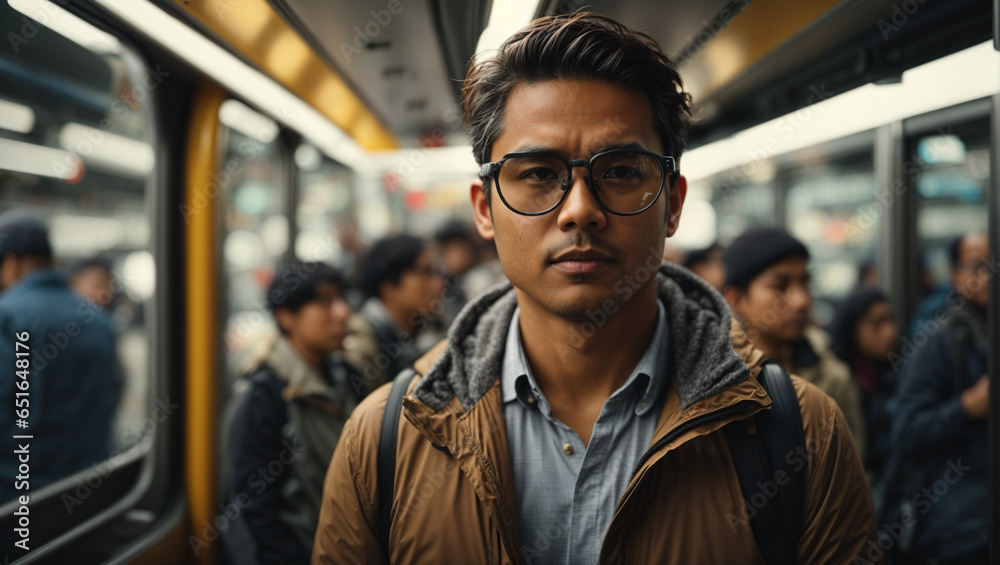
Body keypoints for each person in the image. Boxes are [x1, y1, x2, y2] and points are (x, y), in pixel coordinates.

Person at [312, 13, 877, 564]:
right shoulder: (383, 440)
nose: (580, 211)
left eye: (622, 171)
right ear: (486, 210)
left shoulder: (799, 431)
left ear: (672, 204)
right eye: (537, 174)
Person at [226, 260, 363, 565]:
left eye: (342, 300)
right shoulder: (264, 395)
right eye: (325, 302)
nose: (342, 312)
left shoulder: (348, 376)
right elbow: (255, 508)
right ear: (286, 317)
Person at [0, 212, 122, 502]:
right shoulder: (98, 318)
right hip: (87, 490)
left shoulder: (7, 315)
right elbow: (114, 392)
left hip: (18, 495)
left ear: (11, 263)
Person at [722, 226, 868, 459]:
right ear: (736, 298)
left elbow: (851, 466)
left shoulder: (832, 376)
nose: (801, 301)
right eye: (780, 287)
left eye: (804, 283)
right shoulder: (718, 383)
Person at [889, 232, 989, 564]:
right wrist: (966, 408)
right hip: (960, 530)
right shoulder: (939, 340)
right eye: (977, 267)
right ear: (957, 278)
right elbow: (905, 430)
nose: (988, 276)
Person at [343, 234, 445, 390]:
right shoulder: (360, 346)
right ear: (388, 283)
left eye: (436, 272)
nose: (439, 283)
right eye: (425, 272)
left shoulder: (427, 333)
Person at [828, 286, 899, 478]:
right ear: (851, 328)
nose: (889, 333)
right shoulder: (838, 379)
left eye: (891, 321)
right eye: (876, 324)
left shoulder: (894, 372)